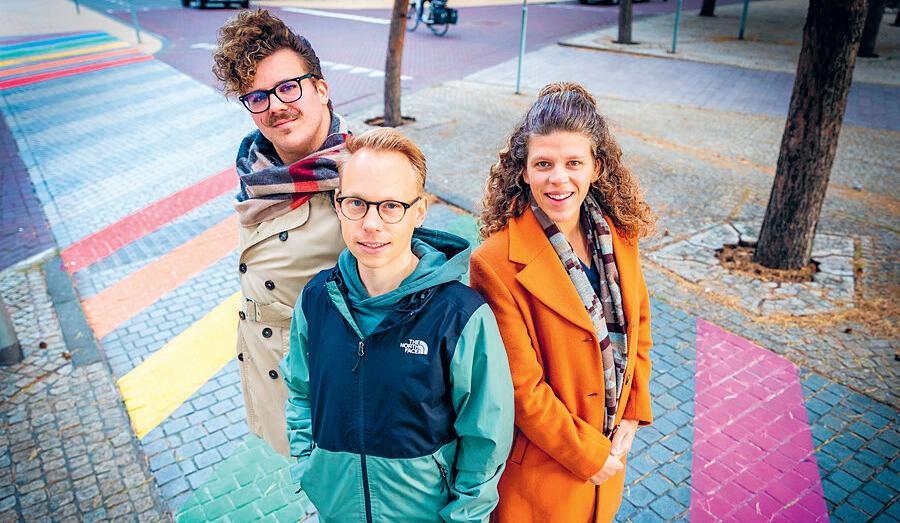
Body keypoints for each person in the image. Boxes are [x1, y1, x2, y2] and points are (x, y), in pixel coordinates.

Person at [281, 128, 514, 522]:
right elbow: (300, 390)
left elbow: (485, 436)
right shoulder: (315, 300)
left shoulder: (460, 316)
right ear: (338, 205)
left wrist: (464, 517)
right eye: (357, 203)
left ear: (419, 211)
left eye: (390, 206)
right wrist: (310, 466)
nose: (371, 224)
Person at [470, 82, 656, 522]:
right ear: (523, 171)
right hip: (544, 477)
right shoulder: (494, 263)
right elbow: (521, 389)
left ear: (596, 167)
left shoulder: (619, 234)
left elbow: (640, 325)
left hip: (606, 463)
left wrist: (633, 411)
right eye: (543, 164)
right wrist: (589, 456)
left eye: (574, 162)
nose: (559, 178)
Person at [212, 9, 348, 456]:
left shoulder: (362, 176)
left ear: (321, 89)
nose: (274, 106)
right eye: (257, 97)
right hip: (271, 381)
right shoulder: (257, 170)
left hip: (330, 401)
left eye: (288, 87)